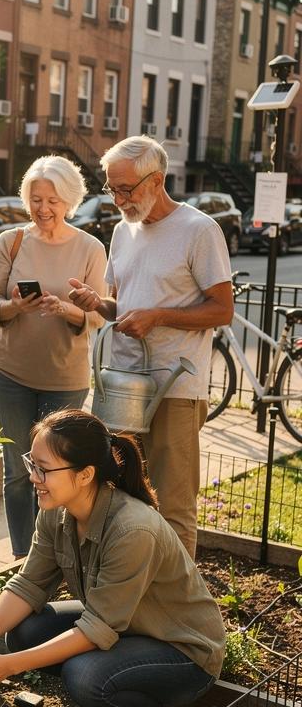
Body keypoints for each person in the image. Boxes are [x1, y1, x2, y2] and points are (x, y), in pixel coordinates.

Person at [0, 409, 225, 707]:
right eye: (31, 464)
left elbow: (98, 626)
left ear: (84, 475)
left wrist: (5, 667)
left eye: (44, 469)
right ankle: (117, 704)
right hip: (127, 630)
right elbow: (28, 585)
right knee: (24, 632)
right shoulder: (58, 513)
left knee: (84, 677)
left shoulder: (133, 529)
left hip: (182, 653)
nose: (34, 477)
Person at [69, 135, 233, 558]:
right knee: (122, 496)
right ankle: (129, 590)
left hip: (175, 387)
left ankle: (177, 609)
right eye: (112, 188)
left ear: (157, 180)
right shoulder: (123, 232)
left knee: (173, 504)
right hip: (122, 387)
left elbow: (222, 310)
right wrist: (96, 304)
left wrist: (158, 316)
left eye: (127, 188)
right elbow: (123, 308)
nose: (119, 198)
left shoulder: (199, 230)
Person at [0, 155, 106, 558]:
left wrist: (65, 310)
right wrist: (15, 307)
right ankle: (22, 556)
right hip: (10, 372)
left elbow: (98, 316)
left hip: (65, 378)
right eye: (36, 199)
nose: (43, 208)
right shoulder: (11, 241)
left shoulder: (90, 248)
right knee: (17, 470)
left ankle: (51, 557)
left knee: (57, 474)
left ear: (68, 200)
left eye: (52, 200)